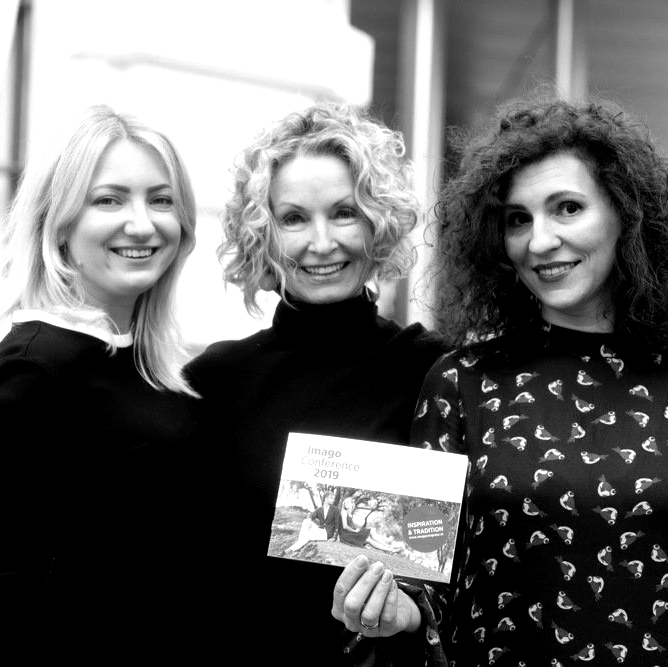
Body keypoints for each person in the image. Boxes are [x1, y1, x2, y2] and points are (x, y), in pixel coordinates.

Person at [334, 93, 668, 665]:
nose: (539, 241)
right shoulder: (461, 383)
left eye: (567, 208)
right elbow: (420, 580)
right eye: (518, 219)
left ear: (625, 212)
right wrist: (400, 610)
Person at [186, 102, 449, 666]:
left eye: (344, 213)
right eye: (294, 218)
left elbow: (463, 567)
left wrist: (412, 610)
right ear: (263, 233)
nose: (321, 242)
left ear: (378, 221)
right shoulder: (213, 381)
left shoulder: (434, 371)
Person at [0, 104, 208, 663]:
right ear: (60, 223)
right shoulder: (34, 366)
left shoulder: (143, 363)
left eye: (160, 200)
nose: (142, 224)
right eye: (108, 199)